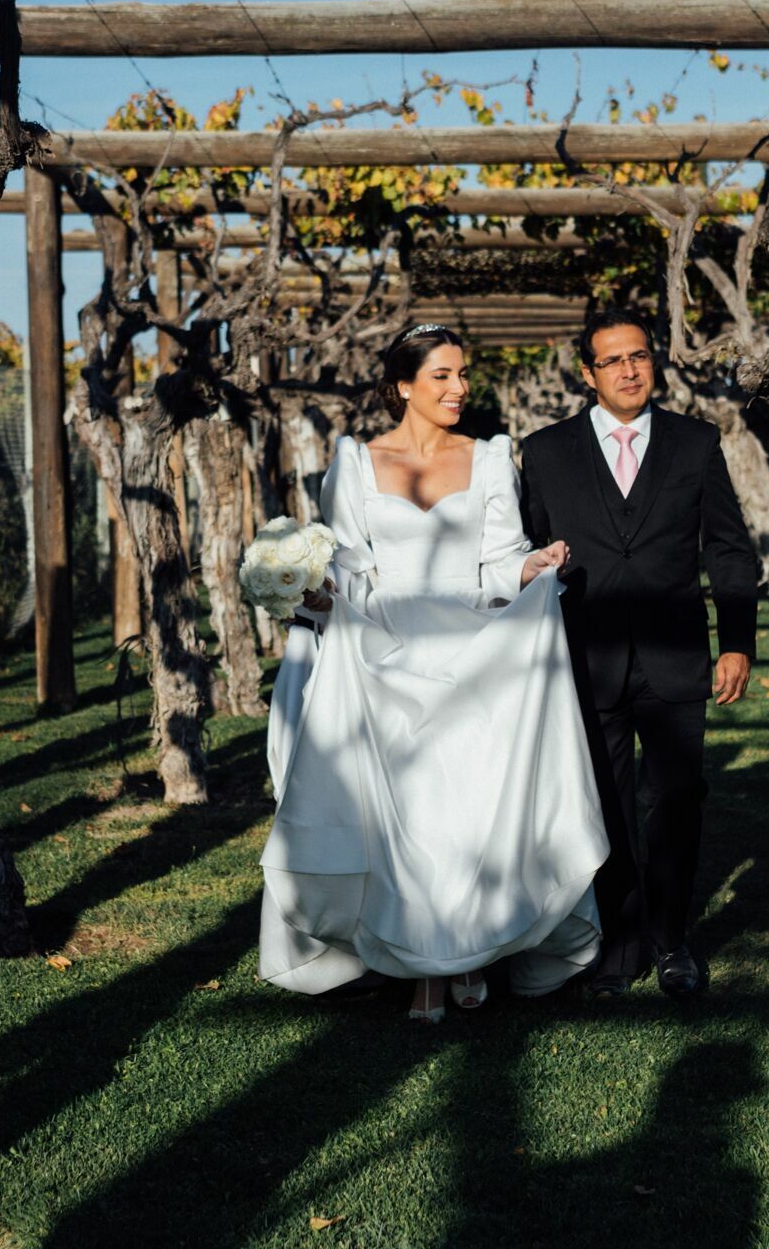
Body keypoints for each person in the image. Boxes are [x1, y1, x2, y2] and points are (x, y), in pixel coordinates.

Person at [260, 323, 611, 1024]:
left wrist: (533, 566)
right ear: (402, 386)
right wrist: (316, 593)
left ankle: (468, 956)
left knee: (465, 814)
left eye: (462, 374)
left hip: (475, 652)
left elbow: (499, 560)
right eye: (442, 376)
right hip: (384, 654)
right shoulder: (355, 462)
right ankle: (423, 971)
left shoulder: (489, 458)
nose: (459, 388)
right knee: (408, 816)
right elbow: (351, 566)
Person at [518, 308, 760, 998]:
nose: (629, 370)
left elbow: (728, 547)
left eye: (640, 356)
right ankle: (619, 948)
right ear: (587, 373)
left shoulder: (695, 442)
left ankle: (672, 941)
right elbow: (523, 553)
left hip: (676, 656)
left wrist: (737, 641)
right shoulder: (545, 452)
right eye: (614, 360)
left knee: (677, 800)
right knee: (607, 805)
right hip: (585, 659)